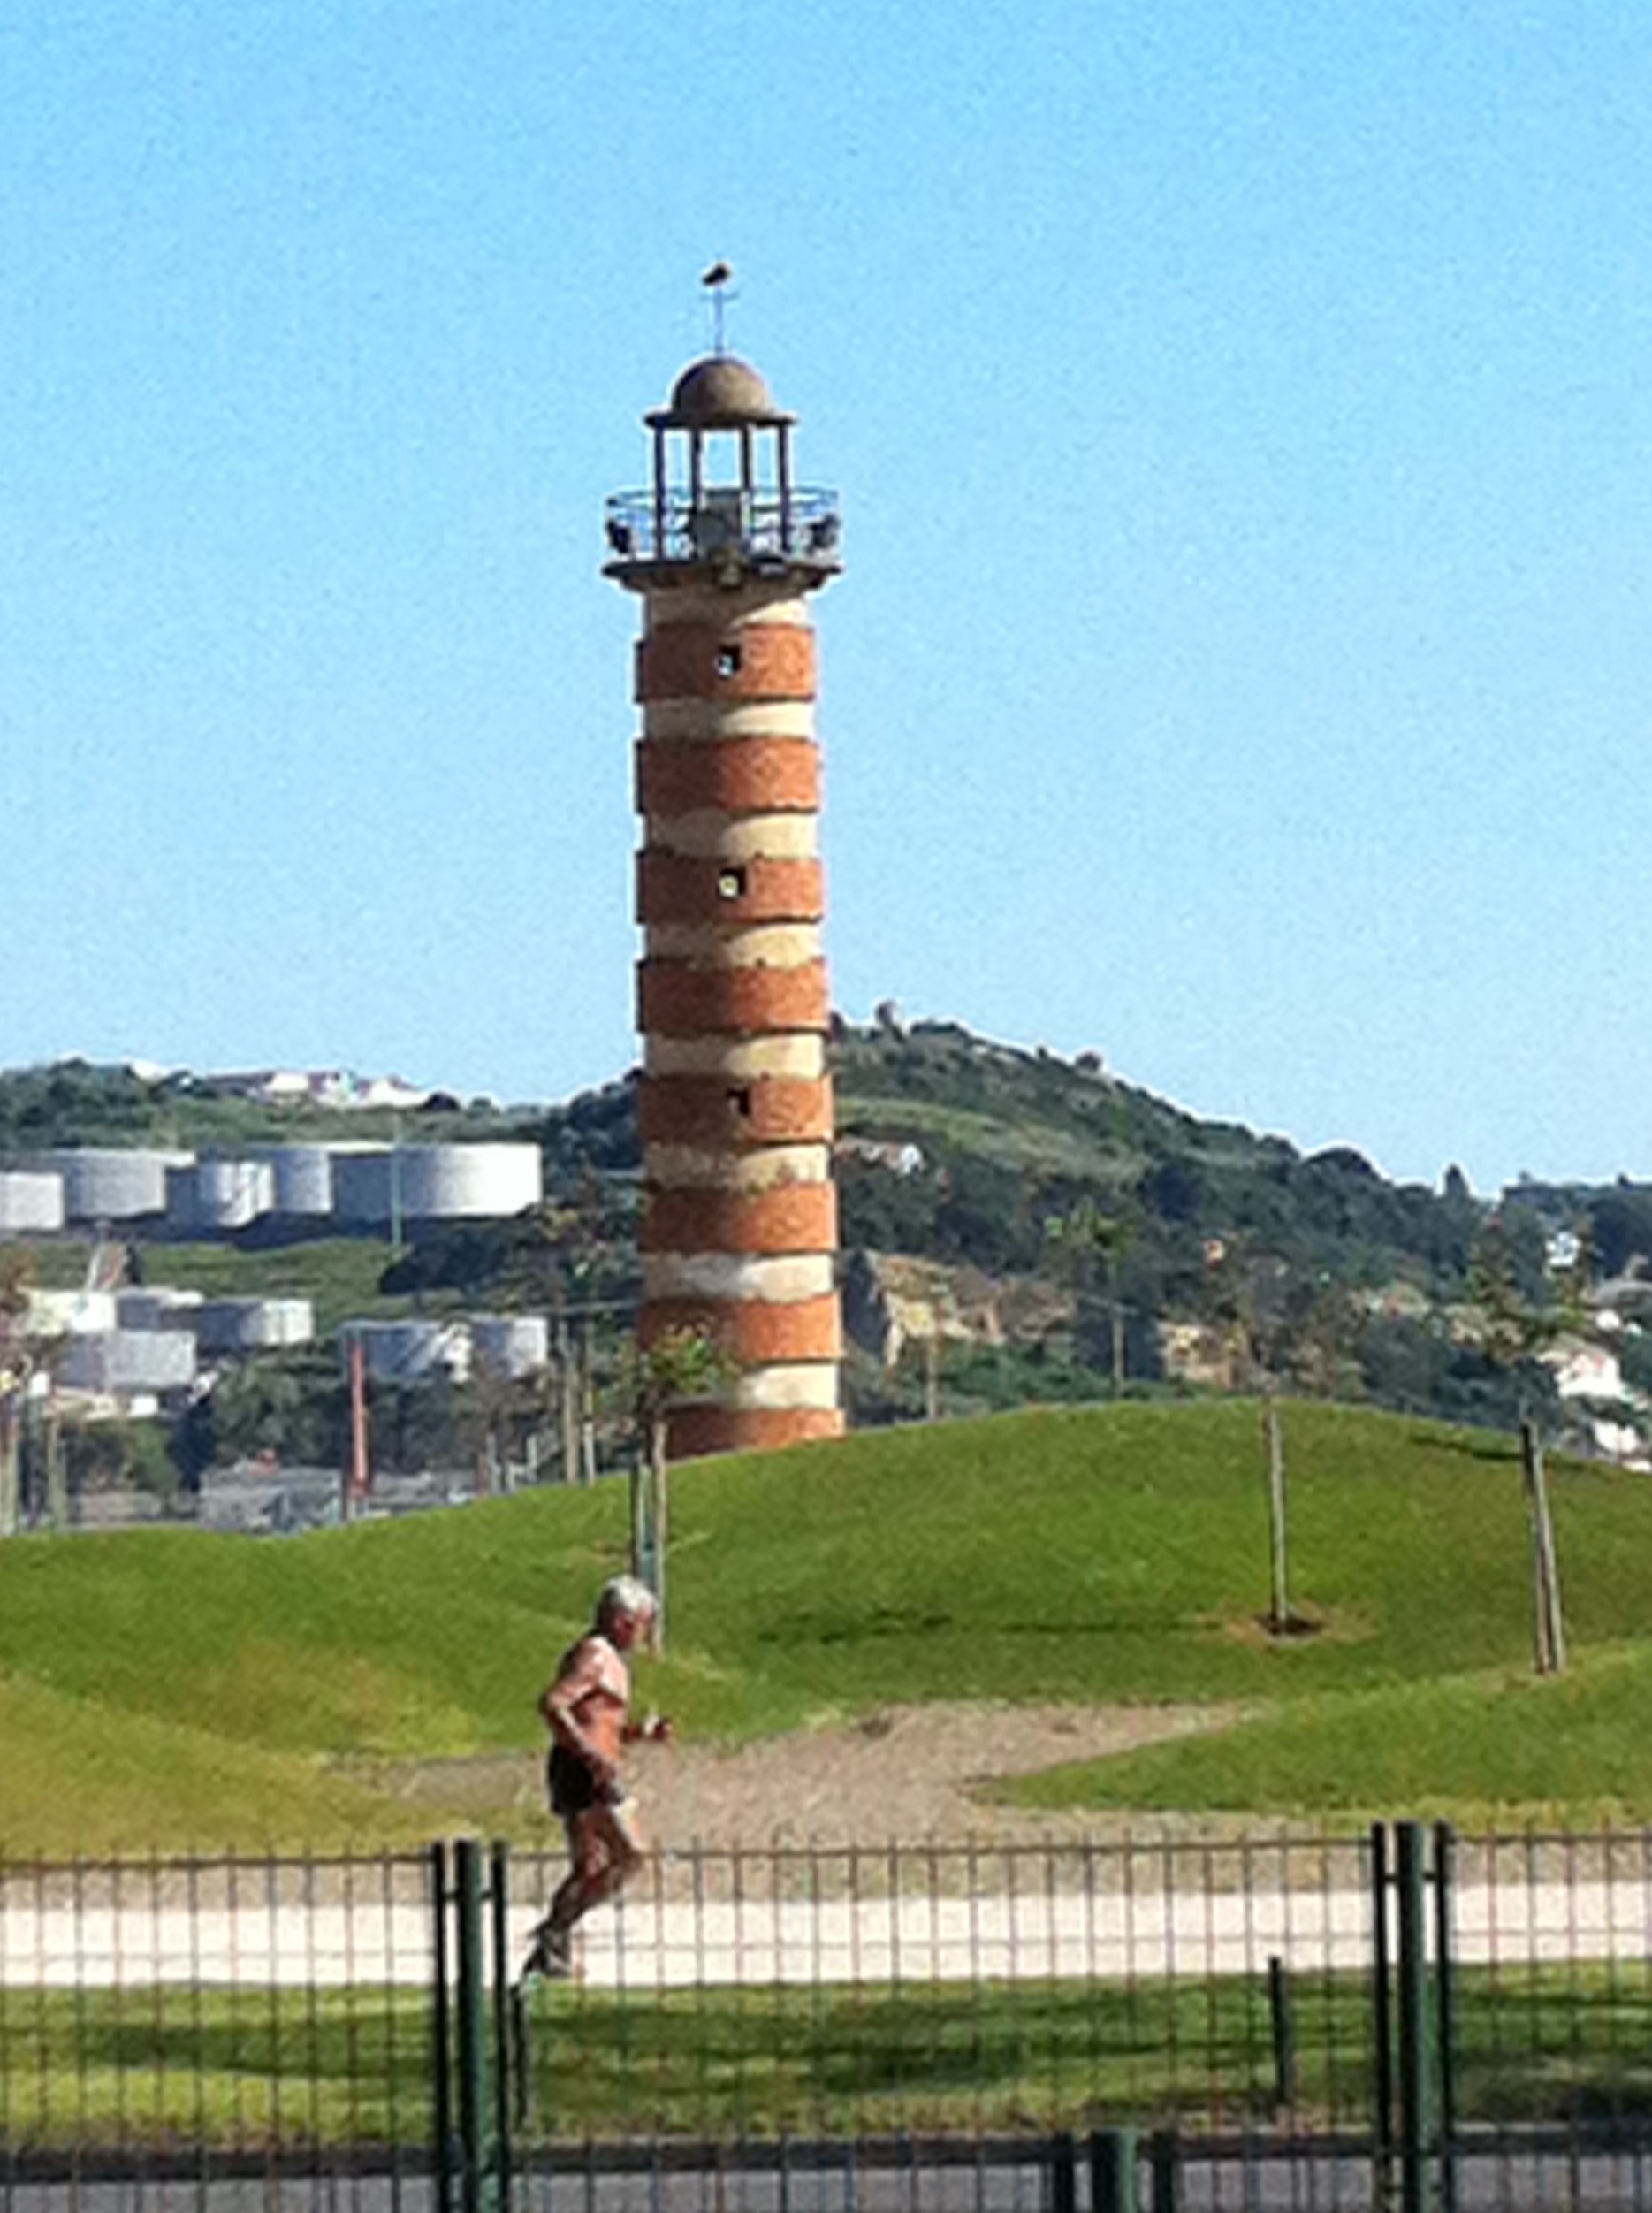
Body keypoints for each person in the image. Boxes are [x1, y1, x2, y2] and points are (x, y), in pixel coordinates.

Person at [518, 1575, 671, 1982]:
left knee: (590, 1867)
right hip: (585, 1771)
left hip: (589, 1766)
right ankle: (554, 1932)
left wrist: (641, 1734)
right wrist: (590, 1755)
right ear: (623, 1621)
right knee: (631, 1853)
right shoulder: (595, 1657)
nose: (644, 1635)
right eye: (643, 1624)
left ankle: (553, 1946)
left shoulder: (610, 1661)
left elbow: (601, 1724)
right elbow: (554, 1704)